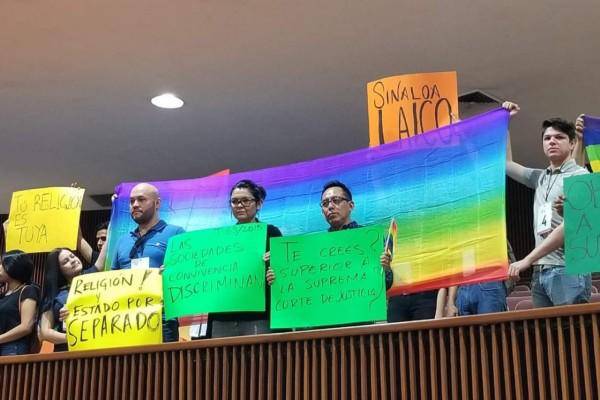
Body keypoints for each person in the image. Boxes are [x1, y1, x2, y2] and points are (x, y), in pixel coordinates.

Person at [503, 102, 591, 307]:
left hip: (568, 270)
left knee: (571, 336)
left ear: (572, 143)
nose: (552, 141)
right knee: (547, 338)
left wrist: (526, 260)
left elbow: (568, 228)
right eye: (547, 138)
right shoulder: (541, 177)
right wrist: (504, 123)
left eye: (559, 137)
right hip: (540, 271)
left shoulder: (581, 177)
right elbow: (507, 164)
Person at [208, 179, 282, 338]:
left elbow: (284, 271)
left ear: (259, 203)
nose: (239, 205)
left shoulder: (271, 232)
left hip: (258, 317)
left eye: (245, 201)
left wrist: (275, 265)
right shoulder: (220, 238)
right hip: (223, 316)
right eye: (234, 202)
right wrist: (175, 269)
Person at [111, 182, 184, 342]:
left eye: (141, 200)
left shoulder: (176, 233)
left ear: (157, 203)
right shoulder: (122, 241)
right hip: (125, 320)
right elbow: (110, 283)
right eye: (131, 201)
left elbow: (188, 273)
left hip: (162, 318)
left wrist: (174, 271)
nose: (135, 205)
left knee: (164, 367)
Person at [38, 244, 107, 351]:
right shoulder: (54, 294)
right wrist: (73, 338)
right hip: (67, 350)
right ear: (58, 270)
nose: (73, 260)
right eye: (66, 261)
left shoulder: (91, 277)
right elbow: (45, 332)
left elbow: (102, 259)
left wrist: (113, 227)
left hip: (98, 345)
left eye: (72, 256)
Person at [0, 251, 40, 356]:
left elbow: (26, 326)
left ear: (12, 268)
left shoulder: (28, 290)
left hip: (13, 348)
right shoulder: (3, 295)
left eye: (2, 265)